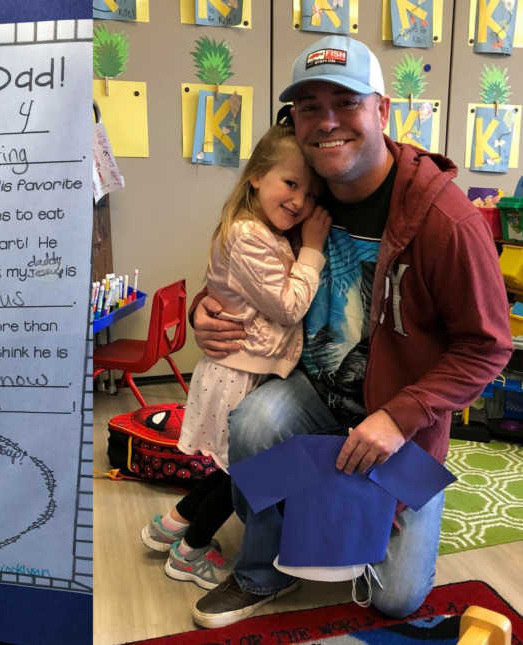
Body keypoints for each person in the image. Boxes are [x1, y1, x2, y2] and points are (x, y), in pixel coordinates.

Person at [188, 34, 513, 629]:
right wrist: (202, 311)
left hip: (401, 420)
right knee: (253, 424)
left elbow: (487, 345)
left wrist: (401, 416)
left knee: (396, 600)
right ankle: (266, 568)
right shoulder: (299, 198)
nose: (327, 122)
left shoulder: (446, 221)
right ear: (294, 121)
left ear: (383, 111)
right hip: (315, 390)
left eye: (346, 102)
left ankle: (361, 507)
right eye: (310, 106)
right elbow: (240, 269)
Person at [141, 123, 331, 590]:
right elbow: (288, 305)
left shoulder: (260, 229)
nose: (299, 202)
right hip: (240, 372)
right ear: (256, 177)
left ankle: (173, 525)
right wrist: (312, 250)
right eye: (290, 184)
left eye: (309, 193)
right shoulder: (250, 235)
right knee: (242, 475)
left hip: (243, 368)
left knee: (229, 467)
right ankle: (190, 553)